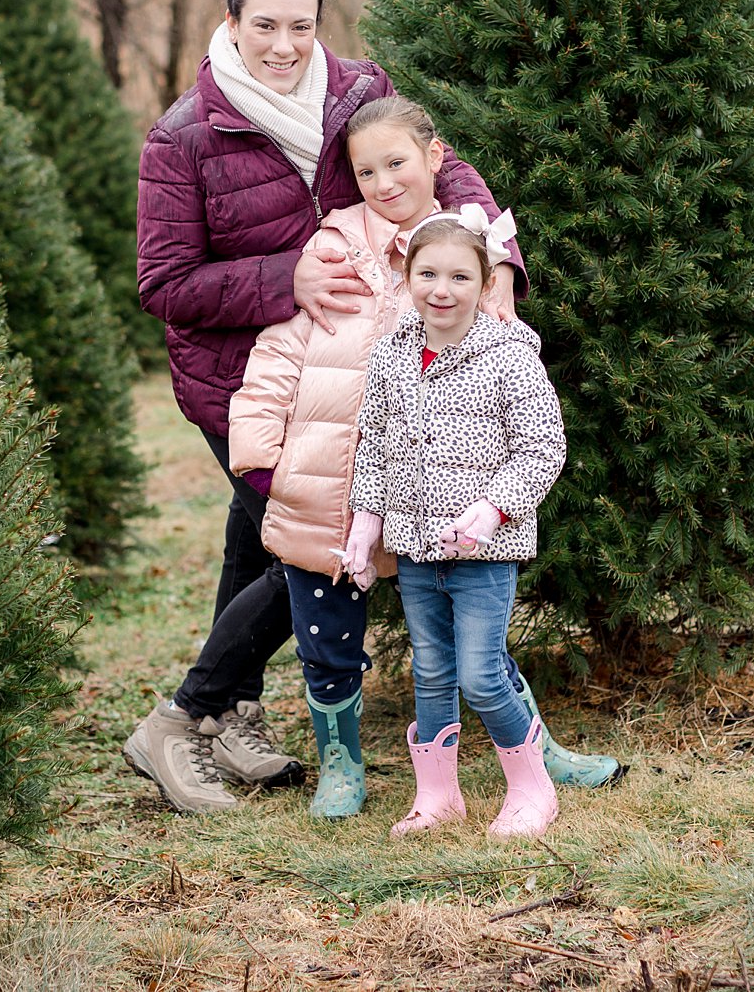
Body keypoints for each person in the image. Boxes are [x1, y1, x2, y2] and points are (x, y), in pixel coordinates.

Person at [126, 0, 523, 815]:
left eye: (300, 26)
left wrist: (495, 264)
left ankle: (230, 711)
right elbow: (165, 282)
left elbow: (439, 173)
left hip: (350, 376)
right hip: (240, 379)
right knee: (311, 548)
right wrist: (286, 277)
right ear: (231, 21)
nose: (283, 46)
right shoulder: (182, 137)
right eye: (264, 25)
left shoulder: (357, 93)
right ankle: (180, 719)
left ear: (320, 22)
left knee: (259, 535)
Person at [226, 98, 624, 821]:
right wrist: (264, 467)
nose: (382, 181)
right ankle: (354, 769)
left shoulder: (477, 281)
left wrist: (502, 271)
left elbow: (535, 433)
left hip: (465, 517)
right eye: (365, 170)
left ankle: (535, 765)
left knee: (476, 655)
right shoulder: (336, 250)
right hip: (337, 488)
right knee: (341, 639)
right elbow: (282, 356)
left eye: (396, 163)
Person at [343, 210, 569, 839]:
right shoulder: (392, 353)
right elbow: (378, 445)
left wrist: (493, 508)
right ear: (407, 278)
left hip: (484, 554)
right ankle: (438, 796)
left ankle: (532, 790)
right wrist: (367, 521)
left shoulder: (507, 355)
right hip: (416, 549)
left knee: (481, 672)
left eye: (460, 277)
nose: (442, 290)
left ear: (484, 281)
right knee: (432, 671)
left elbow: (544, 446)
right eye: (428, 274)